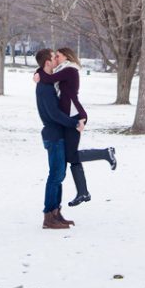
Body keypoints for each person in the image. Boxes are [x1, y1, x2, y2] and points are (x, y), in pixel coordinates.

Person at [34, 46, 116, 207]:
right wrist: (38, 71)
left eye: (58, 55)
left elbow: (49, 78)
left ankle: (106, 153)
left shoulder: (70, 69)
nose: (56, 58)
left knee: (71, 156)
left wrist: (38, 74)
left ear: (66, 56)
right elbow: (47, 72)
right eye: (54, 56)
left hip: (74, 116)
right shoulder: (62, 69)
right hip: (68, 118)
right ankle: (83, 192)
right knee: (70, 155)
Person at [34, 48, 84, 230]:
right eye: (54, 57)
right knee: (55, 176)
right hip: (53, 136)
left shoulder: (48, 81)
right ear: (48, 62)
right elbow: (54, 114)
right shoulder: (44, 88)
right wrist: (73, 123)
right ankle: (48, 216)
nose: (57, 60)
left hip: (58, 135)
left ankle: (56, 212)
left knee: (59, 175)